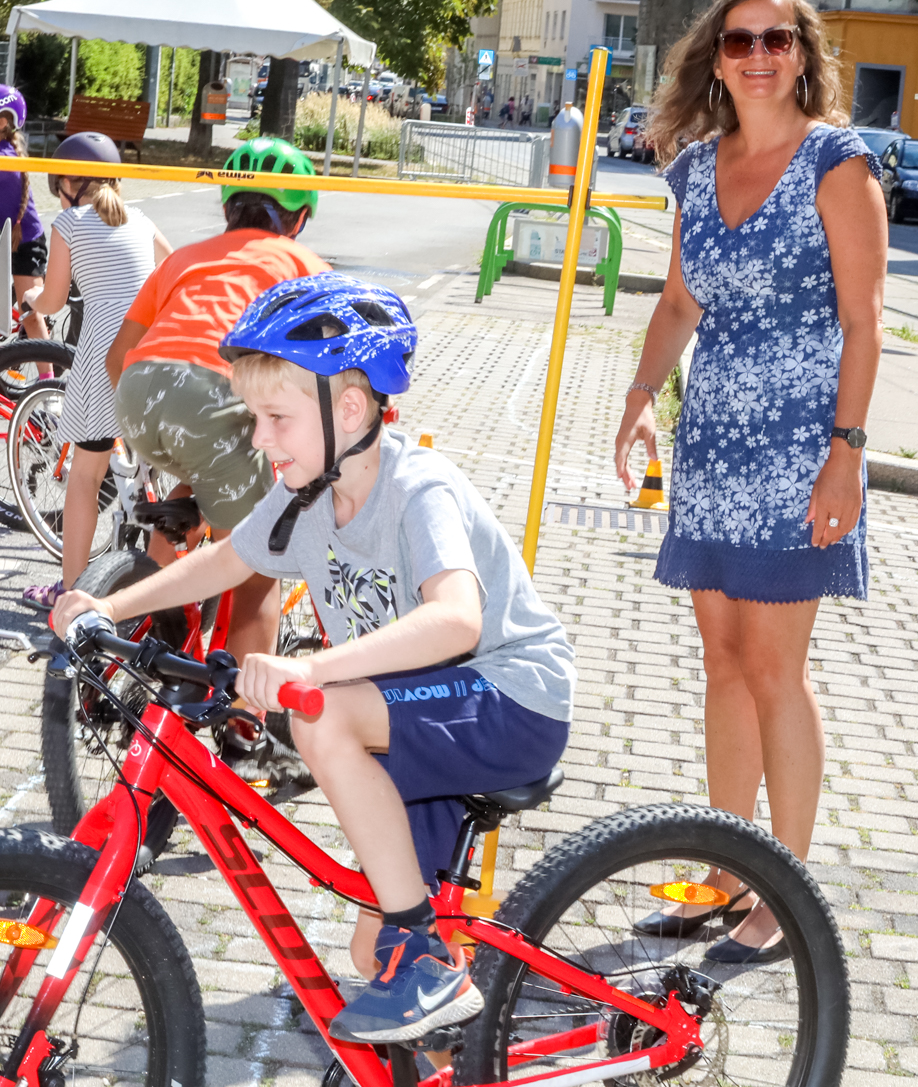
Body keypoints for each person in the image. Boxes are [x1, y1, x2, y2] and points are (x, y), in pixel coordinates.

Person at [54, 274, 574, 1045]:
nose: (259, 440)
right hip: (418, 716)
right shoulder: (307, 494)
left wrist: (312, 671)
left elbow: (456, 620)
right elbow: (228, 559)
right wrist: (109, 605)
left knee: (320, 717)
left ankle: (424, 958)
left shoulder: (415, 486)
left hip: (509, 697)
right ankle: (473, 1071)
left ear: (351, 409)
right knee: (371, 953)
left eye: (275, 419)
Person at [613, 0, 887, 964]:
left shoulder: (836, 163)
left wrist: (845, 456)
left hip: (801, 443)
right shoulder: (696, 167)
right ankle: (723, 879)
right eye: (740, 41)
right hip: (715, 440)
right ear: (716, 57)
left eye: (776, 39)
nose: (758, 55)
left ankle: (784, 896)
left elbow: (865, 322)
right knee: (721, 660)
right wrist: (642, 391)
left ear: (803, 54)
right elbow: (681, 301)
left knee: (776, 667)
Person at [103, 136, 328, 679]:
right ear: (297, 218)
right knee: (255, 566)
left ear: (228, 206)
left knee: (205, 469)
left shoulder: (184, 257)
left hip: (137, 395)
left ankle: (159, 607)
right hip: (210, 399)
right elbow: (332, 365)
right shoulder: (303, 263)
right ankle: (245, 722)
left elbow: (117, 354)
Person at [21, 132, 172, 609]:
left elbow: (55, 299)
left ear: (68, 181)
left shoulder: (68, 223)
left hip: (105, 346)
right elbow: (172, 269)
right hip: (151, 342)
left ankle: (70, 591)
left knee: (86, 473)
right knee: (155, 458)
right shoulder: (142, 219)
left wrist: (29, 299)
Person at [0, 86, 52, 357]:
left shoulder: (6, 160)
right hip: (4, 238)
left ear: (3, 122)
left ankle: (47, 383)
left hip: (25, 242)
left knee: (30, 314)